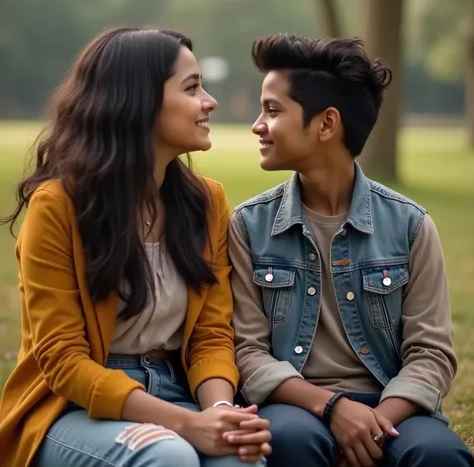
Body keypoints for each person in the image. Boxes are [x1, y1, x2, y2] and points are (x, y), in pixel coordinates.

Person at [0, 26, 270, 467]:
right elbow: (63, 360)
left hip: (178, 388)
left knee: (244, 459)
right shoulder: (58, 208)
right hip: (72, 407)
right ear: (139, 102)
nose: (209, 101)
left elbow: (211, 336)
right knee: (169, 457)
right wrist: (185, 425)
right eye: (192, 87)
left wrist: (221, 413)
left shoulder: (207, 202)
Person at [229, 33, 473, 467]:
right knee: (287, 440)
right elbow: (247, 352)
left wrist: (374, 421)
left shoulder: (410, 225)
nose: (257, 125)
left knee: (440, 455)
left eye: (272, 110)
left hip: (391, 404)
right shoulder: (249, 225)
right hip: (294, 403)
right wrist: (332, 408)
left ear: (326, 124)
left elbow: (431, 353)